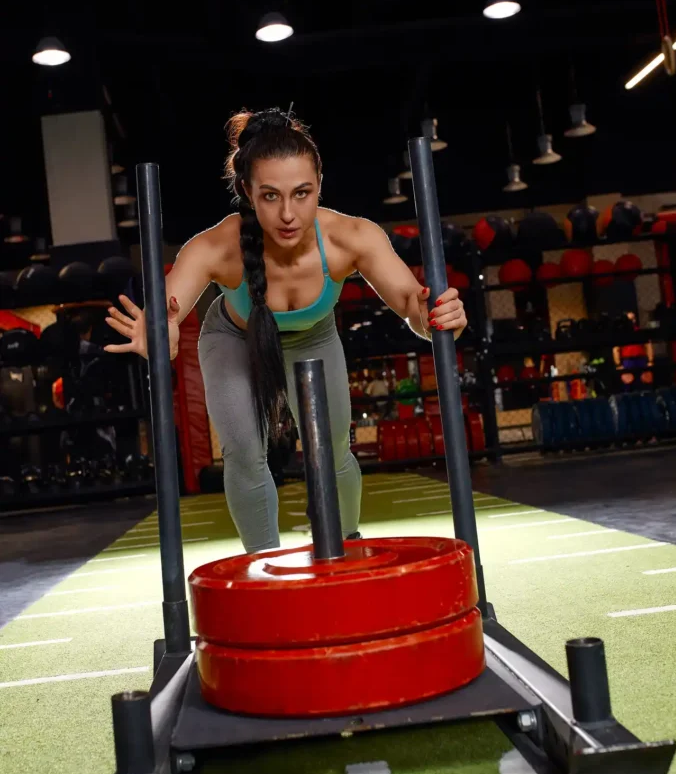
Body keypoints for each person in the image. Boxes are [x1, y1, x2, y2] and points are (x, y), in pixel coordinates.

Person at [104, 108, 467, 553]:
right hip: (234, 338)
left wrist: (437, 317)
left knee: (332, 452)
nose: (289, 214)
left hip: (313, 337)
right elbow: (168, 311)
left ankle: (345, 548)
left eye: (302, 193)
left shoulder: (352, 237)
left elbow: (412, 304)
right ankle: (264, 568)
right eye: (271, 196)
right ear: (247, 192)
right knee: (243, 452)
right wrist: (160, 334)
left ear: (319, 186)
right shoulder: (217, 245)